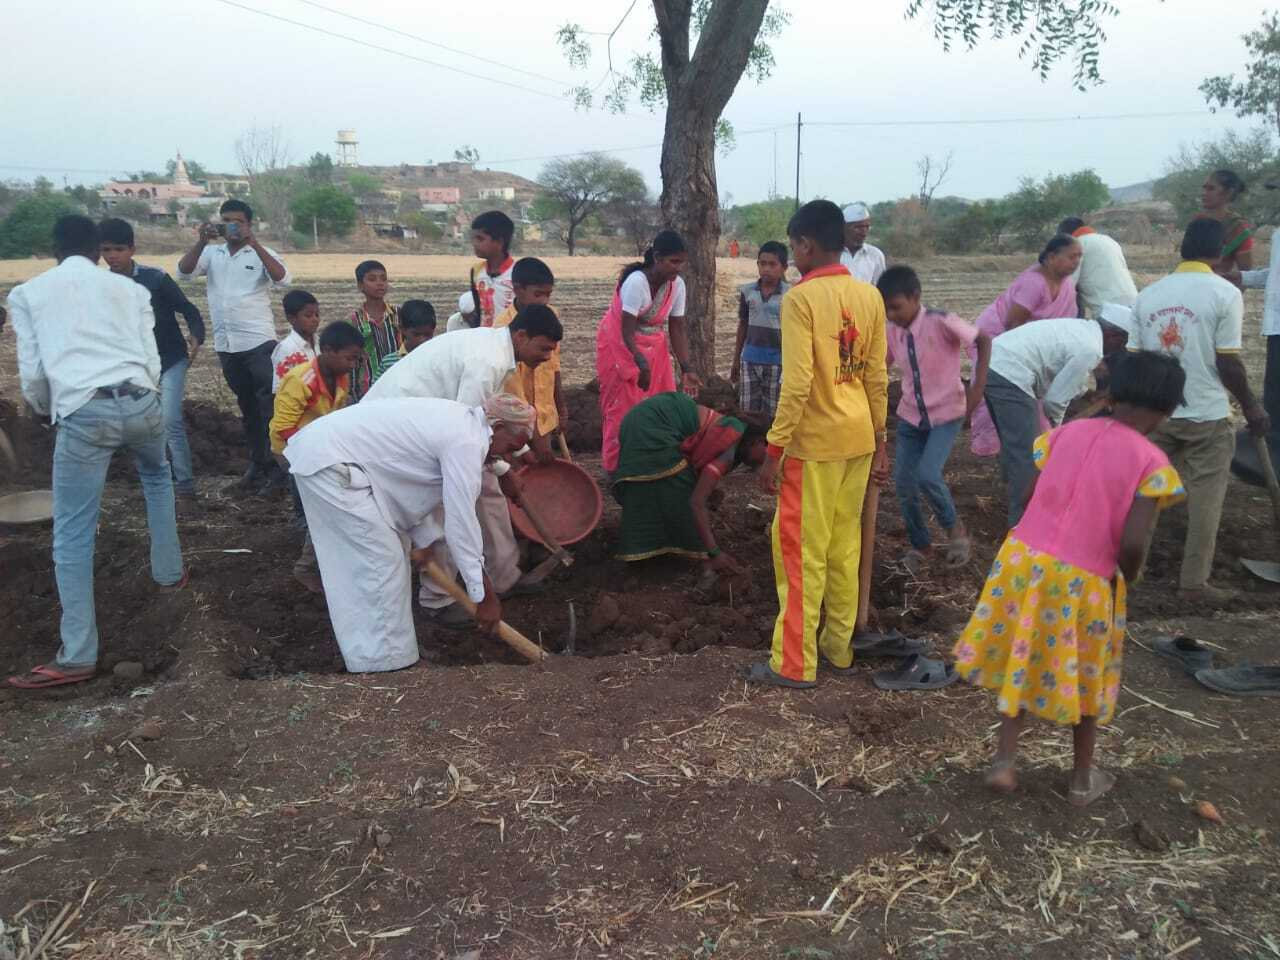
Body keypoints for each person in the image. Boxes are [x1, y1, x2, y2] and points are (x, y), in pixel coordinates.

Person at [954, 352, 1187, 806]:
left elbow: (1027, 492)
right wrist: (1130, 578)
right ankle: (1082, 777)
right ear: (1167, 411)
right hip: (1084, 578)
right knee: (1088, 673)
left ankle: (1004, 761)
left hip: (1023, 562)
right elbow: (1135, 543)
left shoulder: (1066, 433)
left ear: (1112, 393)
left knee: (1021, 655)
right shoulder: (1150, 461)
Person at [6, 215, 186, 689]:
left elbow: (34, 373)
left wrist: (49, 410)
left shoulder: (27, 294)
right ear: (97, 252)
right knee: (156, 478)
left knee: (72, 532)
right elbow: (151, 358)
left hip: (86, 412)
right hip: (143, 401)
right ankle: (169, 573)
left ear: (54, 250)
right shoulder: (130, 290)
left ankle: (78, 654)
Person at [285, 394, 537, 673]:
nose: (505, 455)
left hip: (338, 458)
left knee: (385, 561)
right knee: (378, 564)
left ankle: (392, 655)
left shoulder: (463, 425)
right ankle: (385, 666)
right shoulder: (467, 441)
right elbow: (462, 522)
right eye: (510, 446)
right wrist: (484, 596)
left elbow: (412, 480)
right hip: (331, 463)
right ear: (498, 427)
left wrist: (424, 539)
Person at [746, 200, 888, 690]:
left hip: (815, 447)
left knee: (800, 553)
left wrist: (774, 449)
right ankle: (837, 648)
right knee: (843, 549)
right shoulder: (868, 297)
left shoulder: (800, 300)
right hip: (859, 440)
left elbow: (798, 383)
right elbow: (876, 376)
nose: (790, 257)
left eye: (791, 247)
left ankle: (793, 663)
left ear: (806, 244)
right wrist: (882, 441)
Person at [365, 305, 563, 621]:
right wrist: (502, 468)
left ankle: (502, 577)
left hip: (428, 426)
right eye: (543, 349)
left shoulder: (497, 351)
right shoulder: (488, 360)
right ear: (522, 335)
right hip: (394, 432)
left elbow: (483, 424)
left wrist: (508, 461)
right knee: (451, 503)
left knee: (487, 490)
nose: (546, 357)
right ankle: (439, 599)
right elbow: (465, 435)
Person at [1130, 218, 1269, 599]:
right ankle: (1193, 583)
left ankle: (1130, 572)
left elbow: (1133, 361)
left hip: (1157, 414)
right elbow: (1228, 362)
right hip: (1207, 414)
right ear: (1220, 251)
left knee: (1147, 495)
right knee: (1206, 500)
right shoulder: (1224, 293)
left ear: (1182, 249)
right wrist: (1252, 407)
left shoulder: (1148, 295)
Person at [878, 265, 991, 572]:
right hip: (911, 416)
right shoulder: (891, 330)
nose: (891, 314)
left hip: (947, 413)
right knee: (903, 483)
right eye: (885, 308)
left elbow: (983, 339)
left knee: (928, 475)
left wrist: (977, 389)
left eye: (896, 307)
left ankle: (956, 532)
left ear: (915, 297)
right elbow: (880, 365)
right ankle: (921, 545)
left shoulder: (941, 321)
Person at [177, 198, 291, 493]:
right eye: (227, 220)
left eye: (238, 221)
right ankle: (257, 466)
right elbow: (185, 272)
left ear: (249, 224)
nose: (232, 225)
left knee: (270, 407)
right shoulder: (212, 254)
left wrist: (256, 244)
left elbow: (282, 279)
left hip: (258, 342)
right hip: (228, 345)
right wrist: (201, 242)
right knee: (247, 407)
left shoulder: (260, 253)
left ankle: (279, 470)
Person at [984, 313, 1133, 528]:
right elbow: (1054, 402)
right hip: (1010, 372)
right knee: (1029, 455)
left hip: (994, 362)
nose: (1121, 348)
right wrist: (1057, 429)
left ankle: (1012, 493)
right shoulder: (1091, 348)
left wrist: (1084, 394)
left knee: (1014, 443)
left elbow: (1060, 378)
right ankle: (1022, 525)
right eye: (1123, 342)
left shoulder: (1082, 330)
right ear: (1114, 336)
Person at [98, 218, 206, 510]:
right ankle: (154, 480)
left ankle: (185, 487)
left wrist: (196, 335)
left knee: (169, 420)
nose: (112, 256)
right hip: (134, 365)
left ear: (132, 249)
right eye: (106, 250)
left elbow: (188, 309)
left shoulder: (155, 279)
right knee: (137, 423)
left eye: (118, 249)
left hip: (171, 359)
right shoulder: (102, 286)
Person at [614, 392, 770, 565]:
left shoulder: (729, 431)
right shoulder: (728, 447)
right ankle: (680, 551)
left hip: (642, 418)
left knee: (666, 482)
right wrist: (714, 552)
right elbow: (697, 502)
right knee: (680, 487)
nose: (764, 464)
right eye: (768, 457)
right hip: (651, 426)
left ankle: (650, 548)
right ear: (759, 442)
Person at [596, 230, 704, 473]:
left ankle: (652, 459)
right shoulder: (636, 282)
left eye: (682, 262)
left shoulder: (678, 286)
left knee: (660, 402)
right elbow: (626, 330)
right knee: (623, 406)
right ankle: (616, 468)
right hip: (620, 344)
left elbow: (677, 327)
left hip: (652, 345)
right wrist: (640, 364)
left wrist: (687, 368)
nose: (678, 268)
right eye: (673, 261)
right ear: (657, 257)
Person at [270, 320, 363, 592]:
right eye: (349, 358)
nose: (353, 365)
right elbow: (284, 427)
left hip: (316, 446)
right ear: (329, 351)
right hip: (292, 449)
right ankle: (306, 567)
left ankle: (316, 544)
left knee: (316, 504)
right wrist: (314, 456)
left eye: (356, 359)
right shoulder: (302, 381)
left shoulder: (340, 377)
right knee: (324, 506)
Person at [969, 233, 1083, 456]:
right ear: (1051, 257)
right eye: (1071, 256)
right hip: (998, 339)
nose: (1076, 262)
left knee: (1031, 391)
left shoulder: (1068, 287)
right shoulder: (1033, 282)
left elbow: (1065, 325)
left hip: (1029, 344)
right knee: (994, 388)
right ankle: (989, 445)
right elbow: (1014, 323)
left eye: (1079, 257)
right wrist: (1025, 358)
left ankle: (1033, 439)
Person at [491, 258, 567, 463]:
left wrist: (560, 407)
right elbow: (511, 389)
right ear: (518, 289)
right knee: (522, 465)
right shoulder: (503, 328)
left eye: (548, 295)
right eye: (538, 294)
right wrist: (532, 434)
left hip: (544, 413)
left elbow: (553, 366)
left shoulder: (550, 316)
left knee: (543, 466)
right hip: (517, 417)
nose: (543, 301)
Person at [731, 241, 790, 416]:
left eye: (772, 264)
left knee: (772, 411)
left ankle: (767, 444)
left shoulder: (790, 294)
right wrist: (736, 360)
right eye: (762, 264)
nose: (766, 269)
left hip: (777, 362)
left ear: (784, 267)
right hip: (749, 360)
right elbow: (743, 325)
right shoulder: (748, 291)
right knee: (747, 409)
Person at [1058, 216, 1138, 318]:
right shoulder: (1110, 241)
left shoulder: (1077, 244)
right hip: (1135, 306)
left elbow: (1067, 285)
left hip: (1107, 312)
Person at [347, 260, 401, 401]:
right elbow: (350, 365)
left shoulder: (400, 315)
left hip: (398, 387)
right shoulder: (353, 322)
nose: (380, 283)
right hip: (367, 392)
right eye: (372, 279)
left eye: (383, 278)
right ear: (360, 286)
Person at [1196, 169, 1254, 272]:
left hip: (1216, 285)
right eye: (1204, 188)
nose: (1204, 193)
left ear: (1228, 193)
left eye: (1211, 189)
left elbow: (1245, 275)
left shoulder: (1238, 228)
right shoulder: (1198, 220)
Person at [466, 211, 516, 328]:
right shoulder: (476, 271)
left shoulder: (517, 272)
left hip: (509, 339)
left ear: (499, 242)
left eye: (480, 239)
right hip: (484, 338)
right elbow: (478, 310)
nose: (474, 243)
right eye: (473, 238)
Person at [271, 290, 320, 392]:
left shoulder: (322, 344)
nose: (315, 319)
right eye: (308, 316)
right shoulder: (285, 349)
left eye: (317, 314)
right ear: (291, 319)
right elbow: (281, 390)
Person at [839, 202, 886, 285]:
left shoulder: (876, 255)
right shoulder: (832, 254)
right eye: (858, 227)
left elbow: (880, 289)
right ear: (844, 227)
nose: (864, 231)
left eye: (867, 227)